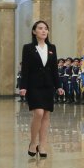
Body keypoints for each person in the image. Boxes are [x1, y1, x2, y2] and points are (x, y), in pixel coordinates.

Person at [19, 20, 64, 158]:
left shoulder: (52, 47)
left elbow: (54, 70)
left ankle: (42, 145)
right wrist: (23, 86)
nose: (44, 31)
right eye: (40, 28)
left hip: (48, 86)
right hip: (33, 85)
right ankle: (33, 142)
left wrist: (58, 86)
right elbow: (25, 69)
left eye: (46, 28)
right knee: (38, 113)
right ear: (34, 31)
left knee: (46, 115)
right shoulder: (28, 48)